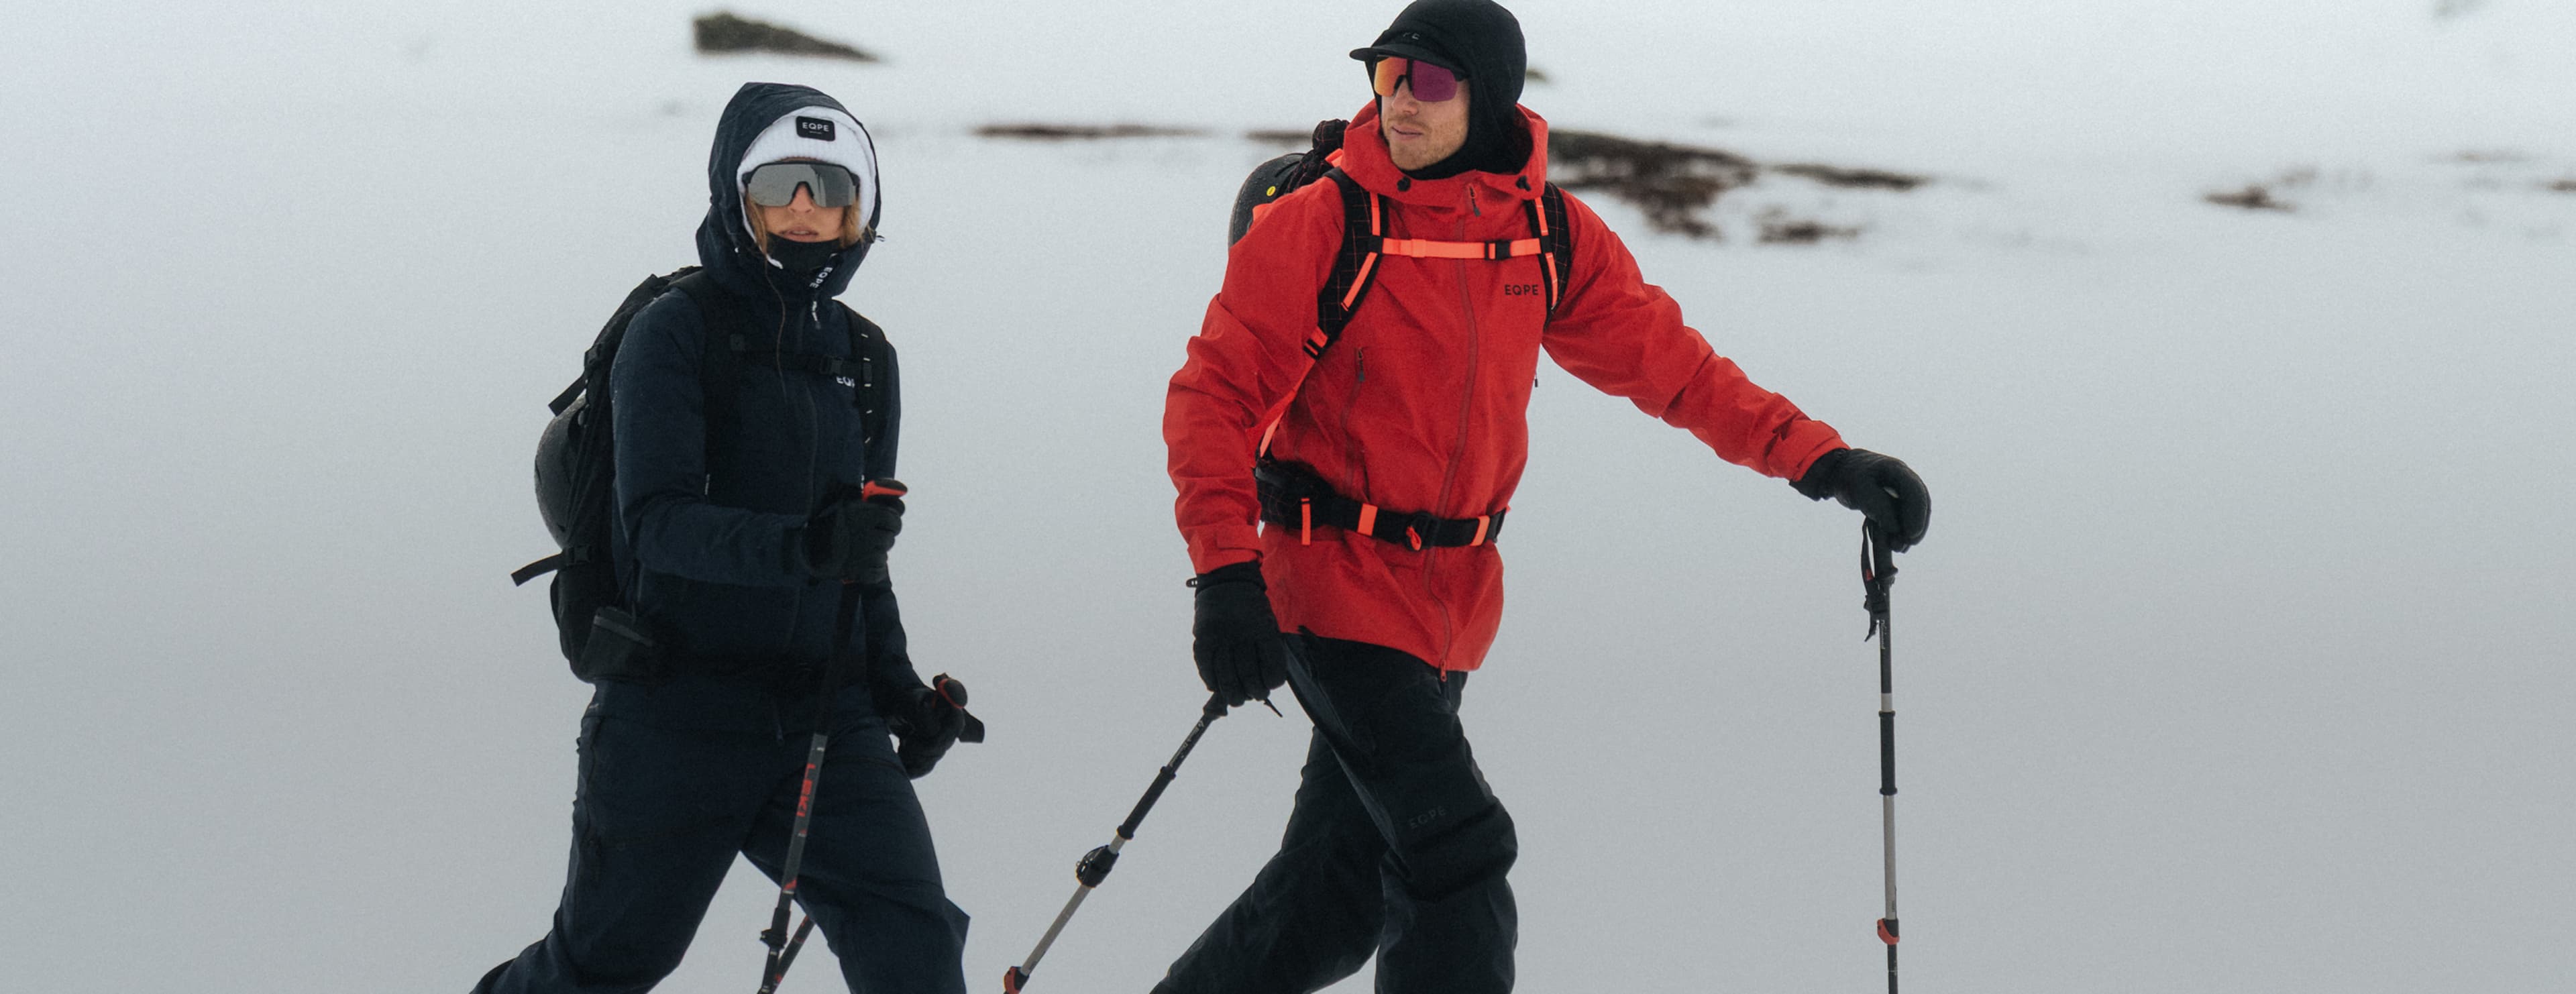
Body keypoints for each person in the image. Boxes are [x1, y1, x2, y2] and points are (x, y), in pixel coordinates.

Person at [1157, 1, 1931, 991]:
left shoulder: (1546, 236)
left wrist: (1824, 462)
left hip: (1451, 609)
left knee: (1334, 895)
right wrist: (1225, 571)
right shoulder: (1325, 221)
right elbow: (1212, 397)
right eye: (1385, 77)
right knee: (1458, 853)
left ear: (1490, 98)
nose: (1398, 101)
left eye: (1426, 81)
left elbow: (1676, 369)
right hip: (1329, 585)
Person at [474, 82, 972, 994]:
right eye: (782, 185)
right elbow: (658, 525)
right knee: (603, 968)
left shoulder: (866, 357)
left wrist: (897, 687)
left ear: (863, 208)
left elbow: (862, 554)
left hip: (826, 715)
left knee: (915, 945)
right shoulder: (673, 334)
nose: (806, 211)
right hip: (675, 710)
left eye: (832, 189)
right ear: (736, 198)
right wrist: (805, 548)